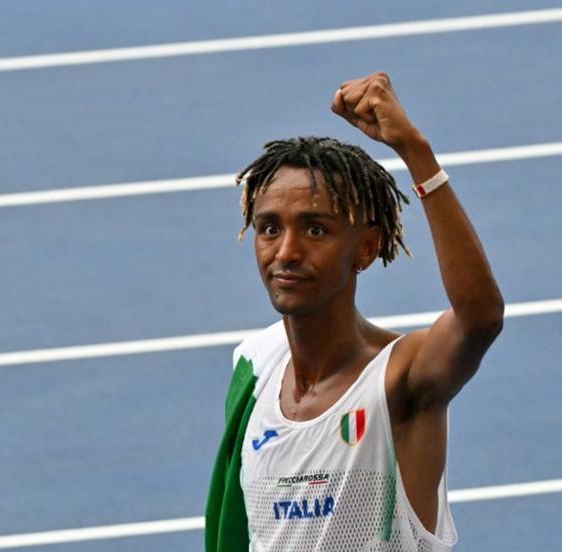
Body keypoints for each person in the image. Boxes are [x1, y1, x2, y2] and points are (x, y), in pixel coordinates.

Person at [205, 72, 504, 551]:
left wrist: (414, 150)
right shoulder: (256, 367)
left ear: (366, 248)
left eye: (315, 230)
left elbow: (479, 317)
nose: (286, 251)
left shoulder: (399, 382)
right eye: (268, 228)